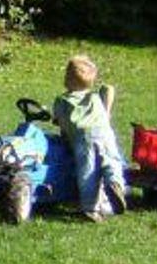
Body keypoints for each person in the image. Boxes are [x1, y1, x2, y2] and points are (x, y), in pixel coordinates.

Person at [53, 53, 127, 221]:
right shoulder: (95, 96)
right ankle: (115, 183)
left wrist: (66, 136)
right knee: (112, 160)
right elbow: (109, 88)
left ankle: (90, 208)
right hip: (104, 132)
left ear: (68, 79)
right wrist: (107, 112)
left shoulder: (62, 100)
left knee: (87, 171)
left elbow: (61, 123)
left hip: (82, 137)